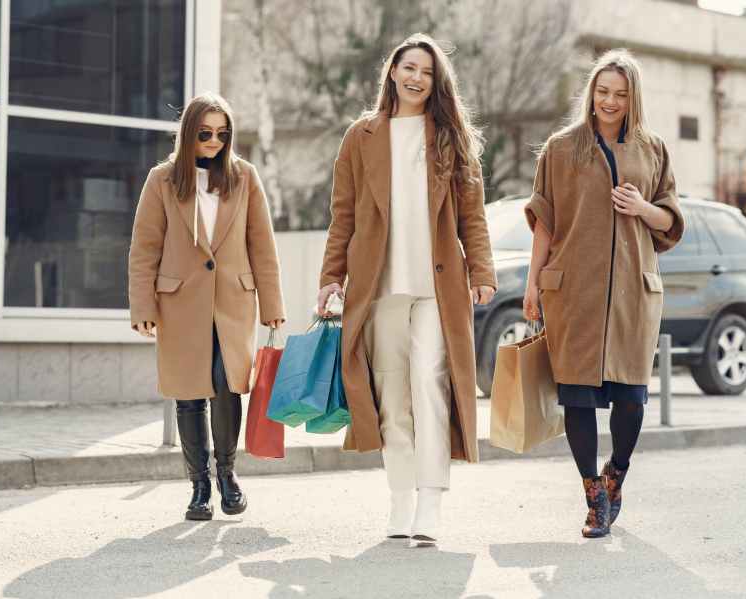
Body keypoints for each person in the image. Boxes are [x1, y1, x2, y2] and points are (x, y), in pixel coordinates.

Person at [317, 33, 497, 547]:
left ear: (437, 83)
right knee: (391, 395)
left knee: (430, 386)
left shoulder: (450, 136)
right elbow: (343, 215)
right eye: (409, 67)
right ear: (393, 71)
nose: (417, 78)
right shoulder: (361, 137)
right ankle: (400, 495)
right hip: (379, 286)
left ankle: (431, 499)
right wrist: (331, 276)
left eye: (427, 72)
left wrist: (482, 271)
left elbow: (472, 214)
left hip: (437, 288)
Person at [523, 49, 684, 538]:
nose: (610, 102)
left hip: (633, 294)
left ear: (633, 98)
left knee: (631, 399)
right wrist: (532, 284)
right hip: (573, 291)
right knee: (577, 397)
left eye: (621, 94)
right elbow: (545, 223)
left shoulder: (652, 149)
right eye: (603, 91)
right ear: (591, 93)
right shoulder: (560, 148)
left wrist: (642, 208)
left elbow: (671, 219)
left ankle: (617, 472)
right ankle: (594, 495)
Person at [129, 92, 285, 520]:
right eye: (205, 133)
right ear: (188, 134)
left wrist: (272, 302)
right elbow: (144, 249)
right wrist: (142, 306)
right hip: (179, 304)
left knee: (227, 383)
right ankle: (199, 486)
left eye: (222, 133)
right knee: (189, 392)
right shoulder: (162, 180)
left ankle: (227, 475)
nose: (214, 141)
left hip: (234, 303)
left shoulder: (244, 176)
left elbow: (262, 244)